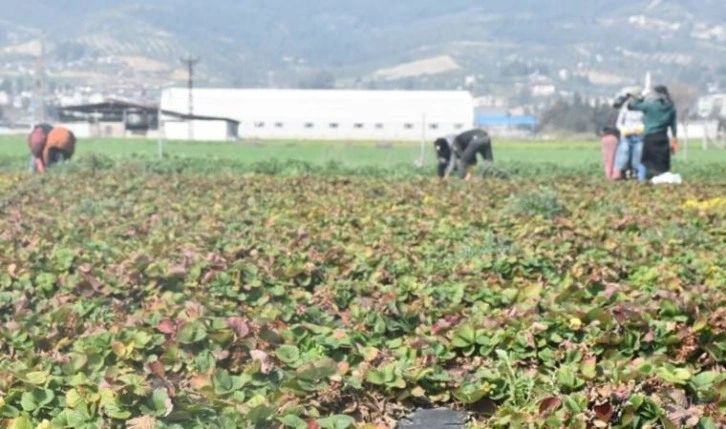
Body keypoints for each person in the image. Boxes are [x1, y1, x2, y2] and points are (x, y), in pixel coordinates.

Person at [626, 85, 678, 179]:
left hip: (650, 137)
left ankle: (642, 180)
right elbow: (673, 125)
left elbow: (632, 106)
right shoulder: (670, 107)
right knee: (662, 164)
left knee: (645, 161)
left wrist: (641, 97)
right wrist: (674, 138)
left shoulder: (650, 106)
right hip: (663, 138)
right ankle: (662, 180)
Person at [613, 87, 646, 181]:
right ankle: (622, 173)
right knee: (624, 153)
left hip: (639, 136)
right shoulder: (625, 108)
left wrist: (641, 128)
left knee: (638, 154)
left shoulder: (642, 108)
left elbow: (646, 122)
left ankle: (635, 173)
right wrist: (624, 130)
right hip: (626, 135)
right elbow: (619, 123)